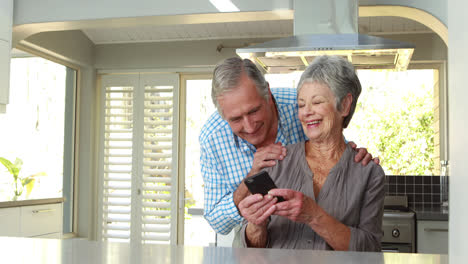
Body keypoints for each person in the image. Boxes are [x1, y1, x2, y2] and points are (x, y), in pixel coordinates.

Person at [199, 57, 377, 235]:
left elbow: (333, 142)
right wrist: (249, 180)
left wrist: (353, 156)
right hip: (256, 236)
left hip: (315, 231)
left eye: (254, 111)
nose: (250, 126)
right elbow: (218, 222)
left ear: (268, 93)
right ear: (223, 115)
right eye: (236, 119)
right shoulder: (213, 138)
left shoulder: (301, 106)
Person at [237, 55, 385, 251]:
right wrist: (256, 224)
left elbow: (369, 250)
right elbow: (254, 250)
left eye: (316, 102)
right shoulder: (277, 162)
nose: (306, 112)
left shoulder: (368, 173)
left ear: (344, 105)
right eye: (300, 104)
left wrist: (313, 215)